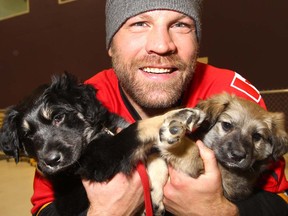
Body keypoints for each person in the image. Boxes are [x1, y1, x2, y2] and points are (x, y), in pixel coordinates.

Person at [31, 0, 288, 215]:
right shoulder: (78, 106)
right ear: (110, 44)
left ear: (197, 42)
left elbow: (279, 203)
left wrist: (218, 210)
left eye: (180, 25)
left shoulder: (235, 94)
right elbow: (45, 207)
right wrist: (102, 212)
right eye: (139, 24)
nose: (162, 45)